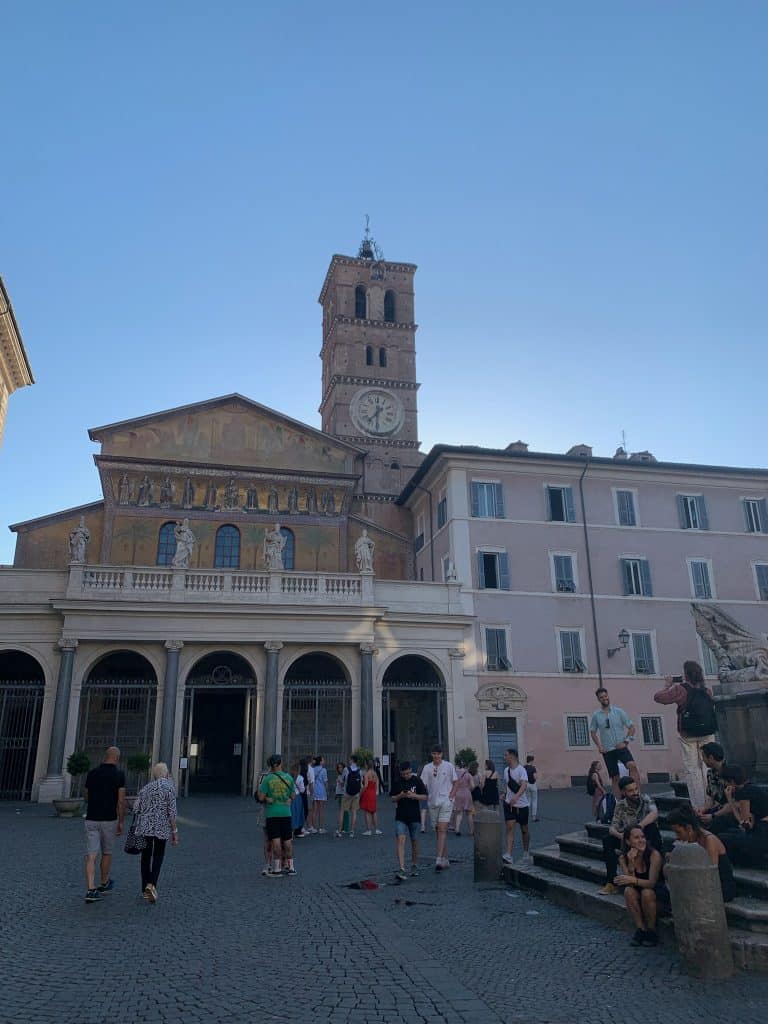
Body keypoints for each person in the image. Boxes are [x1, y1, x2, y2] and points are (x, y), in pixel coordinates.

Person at [654, 661, 717, 809]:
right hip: (707, 732)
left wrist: (667, 685)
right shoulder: (706, 691)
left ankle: (699, 805)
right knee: (708, 767)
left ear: (686, 674)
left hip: (688, 733)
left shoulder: (680, 690)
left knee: (693, 769)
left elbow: (658, 698)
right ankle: (712, 801)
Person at [599, 777, 661, 895]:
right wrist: (621, 836)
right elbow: (612, 828)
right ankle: (611, 882)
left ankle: (658, 875)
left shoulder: (645, 799)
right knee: (607, 840)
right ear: (623, 792)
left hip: (646, 838)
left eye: (636, 789)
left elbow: (654, 813)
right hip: (629, 840)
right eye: (631, 791)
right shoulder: (620, 806)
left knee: (652, 828)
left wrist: (638, 827)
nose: (635, 793)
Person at [83, 745, 126, 903]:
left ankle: (90, 888)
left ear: (105, 756)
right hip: (109, 818)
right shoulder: (119, 775)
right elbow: (121, 801)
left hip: (92, 818)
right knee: (107, 852)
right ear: (117, 758)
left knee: (91, 855)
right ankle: (104, 882)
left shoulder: (92, 773)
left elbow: (86, 795)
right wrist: (121, 821)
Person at [667, 805, 736, 902]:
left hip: (721, 886)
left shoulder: (709, 840)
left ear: (689, 828)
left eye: (679, 832)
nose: (677, 836)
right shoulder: (687, 840)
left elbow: (711, 873)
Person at [132, 762, 178, 903]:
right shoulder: (169, 788)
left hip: (144, 827)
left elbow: (136, 808)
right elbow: (172, 813)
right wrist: (175, 832)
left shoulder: (146, 788)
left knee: (145, 858)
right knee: (158, 856)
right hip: (161, 828)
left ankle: (144, 888)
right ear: (166, 774)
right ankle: (151, 885)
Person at [615, 826, 665, 946]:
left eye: (642, 837)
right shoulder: (623, 857)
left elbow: (652, 883)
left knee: (646, 892)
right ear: (628, 841)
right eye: (636, 838)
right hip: (638, 896)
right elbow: (629, 882)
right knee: (628, 891)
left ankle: (652, 931)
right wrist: (631, 862)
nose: (641, 840)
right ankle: (641, 929)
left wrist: (633, 879)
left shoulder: (654, 854)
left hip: (656, 895)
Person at [590, 688, 639, 799]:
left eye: (605, 696)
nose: (604, 698)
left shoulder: (619, 712)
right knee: (615, 777)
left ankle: (637, 794)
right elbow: (593, 732)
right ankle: (619, 802)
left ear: (608, 696)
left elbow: (631, 727)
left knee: (632, 766)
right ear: (598, 699)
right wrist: (599, 746)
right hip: (608, 750)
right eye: (601, 697)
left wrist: (626, 741)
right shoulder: (597, 715)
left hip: (621, 746)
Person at [718, 765, 768, 867]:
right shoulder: (752, 787)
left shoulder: (743, 792)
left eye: (725, 782)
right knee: (731, 833)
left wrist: (730, 800)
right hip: (762, 829)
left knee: (722, 838)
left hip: (763, 833)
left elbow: (745, 823)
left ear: (731, 781)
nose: (725, 784)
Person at [420, 746, 458, 871]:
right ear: (432, 755)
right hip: (433, 802)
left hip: (446, 801)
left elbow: (456, 781)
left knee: (442, 829)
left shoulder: (448, 766)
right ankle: (445, 858)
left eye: (438, 754)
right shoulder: (427, 768)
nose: (436, 756)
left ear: (442, 754)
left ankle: (438, 859)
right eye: (434, 754)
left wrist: (451, 796)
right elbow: (423, 784)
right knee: (438, 830)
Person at [259, 754, 297, 876]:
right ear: (280, 763)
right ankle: (291, 867)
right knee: (287, 840)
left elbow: (260, 797)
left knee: (275, 840)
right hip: (286, 812)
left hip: (272, 813)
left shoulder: (267, 779)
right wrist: (288, 800)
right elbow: (293, 796)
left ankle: (277, 868)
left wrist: (267, 799)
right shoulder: (289, 778)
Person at [390, 760, 427, 880]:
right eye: (403, 774)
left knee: (414, 841)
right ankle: (401, 868)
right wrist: (400, 795)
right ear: (401, 773)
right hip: (400, 816)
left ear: (411, 771)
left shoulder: (417, 780)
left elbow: (425, 796)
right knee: (401, 839)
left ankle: (414, 865)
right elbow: (392, 798)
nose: (406, 776)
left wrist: (414, 796)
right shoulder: (397, 781)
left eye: (407, 773)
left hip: (414, 815)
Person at [695, 742, 735, 835]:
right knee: (695, 819)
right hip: (719, 810)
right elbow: (710, 799)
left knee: (713, 826)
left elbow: (733, 803)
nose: (703, 760)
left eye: (704, 757)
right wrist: (703, 809)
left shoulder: (731, 772)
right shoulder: (710, 773)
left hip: (732, 812)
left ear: (711, 758)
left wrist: (712, 816)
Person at [501, 748, 531, 865]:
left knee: (524, 830)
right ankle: (508, 854)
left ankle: (526, 852)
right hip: (509, 804)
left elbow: (524, 786)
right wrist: (504, 794)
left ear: (512, 756)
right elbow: (506, 784)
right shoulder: (506, 770)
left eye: (506, 755)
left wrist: (516, 797)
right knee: (509, 828)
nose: (504, 757)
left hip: (522, 805)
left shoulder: (521, 770)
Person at [336, 755, 362, 838]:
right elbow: (360, 784)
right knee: (354, 812)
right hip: (356, 794)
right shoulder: (359, 770)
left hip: (346, 793)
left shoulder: (346, 769)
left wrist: (339, 782)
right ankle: (352, 831)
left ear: (351, 760)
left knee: (342, 811)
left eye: (349, 759)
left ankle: (339, 831)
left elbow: (343, 781)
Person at [449, 759, 475, 836]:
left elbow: (451, 784)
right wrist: (468, 788)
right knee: (469, 813)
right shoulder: (468, 774)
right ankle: (471, 831)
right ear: (465, 766)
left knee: (459, 813)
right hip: (467, 793)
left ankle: (457, 829)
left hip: (457, 793)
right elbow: (473, 786)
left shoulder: (455, 774)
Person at [360, 761, 382, 835]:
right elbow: (377, 784)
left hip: (367, 793)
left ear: (367, 766)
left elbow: (365, 785)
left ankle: (368, 830)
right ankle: (376, 829)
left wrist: (361, 792)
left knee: (367, 811)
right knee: (374, 811)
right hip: (373, 793)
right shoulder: (375, 773)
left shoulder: (366, 774)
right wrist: (376, 792)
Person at [308, 755, 328, 833]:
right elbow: (325, 781)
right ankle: (321, 828)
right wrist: (327, 790)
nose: (324, 761)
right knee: (321, 810)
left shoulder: (312, 769)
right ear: (320, 762)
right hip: (321, 791)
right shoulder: (323, 770)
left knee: (314, 810)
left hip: (314, 790)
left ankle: (313, 827)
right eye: (323, 760)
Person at [291, 764, 306, 838]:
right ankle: (296, 831)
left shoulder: (289, 776)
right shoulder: (300, 778)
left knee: (291, 814)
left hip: (290, 797)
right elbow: (302, 790)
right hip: (297, 797)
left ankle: (290, 833)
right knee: (298, 814)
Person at [525, 754, 539, 821]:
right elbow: (535, 777)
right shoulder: (533, 768)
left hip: (526, 785)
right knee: (534, 800)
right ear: (531, 760)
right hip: (533, 784)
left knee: (528, 800)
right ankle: (534, 817)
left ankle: (526, 816)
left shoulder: (523, 767)